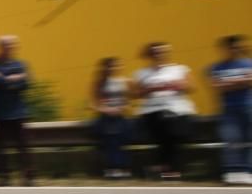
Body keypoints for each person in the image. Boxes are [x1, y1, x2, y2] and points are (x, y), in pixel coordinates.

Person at [132, 41, 195, 180]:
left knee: (173, 129)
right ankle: (170, 170)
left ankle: (160, 168)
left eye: (162, 52)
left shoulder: (179, 69)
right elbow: (135, 94)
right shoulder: (142, 73)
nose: (159, 55)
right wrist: (150, 89)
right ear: (150, 55)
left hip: (178, 109)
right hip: (153, 110)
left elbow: (191, 87)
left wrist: (179, 85)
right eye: (155, 52)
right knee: (167, 126)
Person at [0, 35, 33, 186]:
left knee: (23, 147)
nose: (10, 48)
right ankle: (3, 178)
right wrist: (15, 79)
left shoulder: (20, 64)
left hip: (18, 112)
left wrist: (5, 79)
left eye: (12, 45)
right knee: (1, 148)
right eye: (7, 45)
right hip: (0, 112)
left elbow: (26, 84)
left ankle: (28, 177)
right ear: (0, 47)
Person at [208, 35, 252, 185]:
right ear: (226, 48)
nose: (235, 49)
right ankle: (233, 171)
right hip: (229, 108)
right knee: (232, 140)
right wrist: (241, 81)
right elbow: (217, 86)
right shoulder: (217, 67)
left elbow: (249, 81)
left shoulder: (249, 63)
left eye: (238, 46)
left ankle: (248, 170)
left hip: (248, 105)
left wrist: (229, 83)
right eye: (232, 47)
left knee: (249, 140)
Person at [90, 57, 132, 179]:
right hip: (106, 116)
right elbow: (95, 102)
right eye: (110, 66)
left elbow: (130, 100)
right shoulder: (99, 83)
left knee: (120, 139)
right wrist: (106, 110)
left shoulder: (126, 81)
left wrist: (122, 108)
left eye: (115, 65)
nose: (113, 68)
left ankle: (119, 167)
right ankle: (115, 167)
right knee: (111, 138)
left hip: (121, 115)